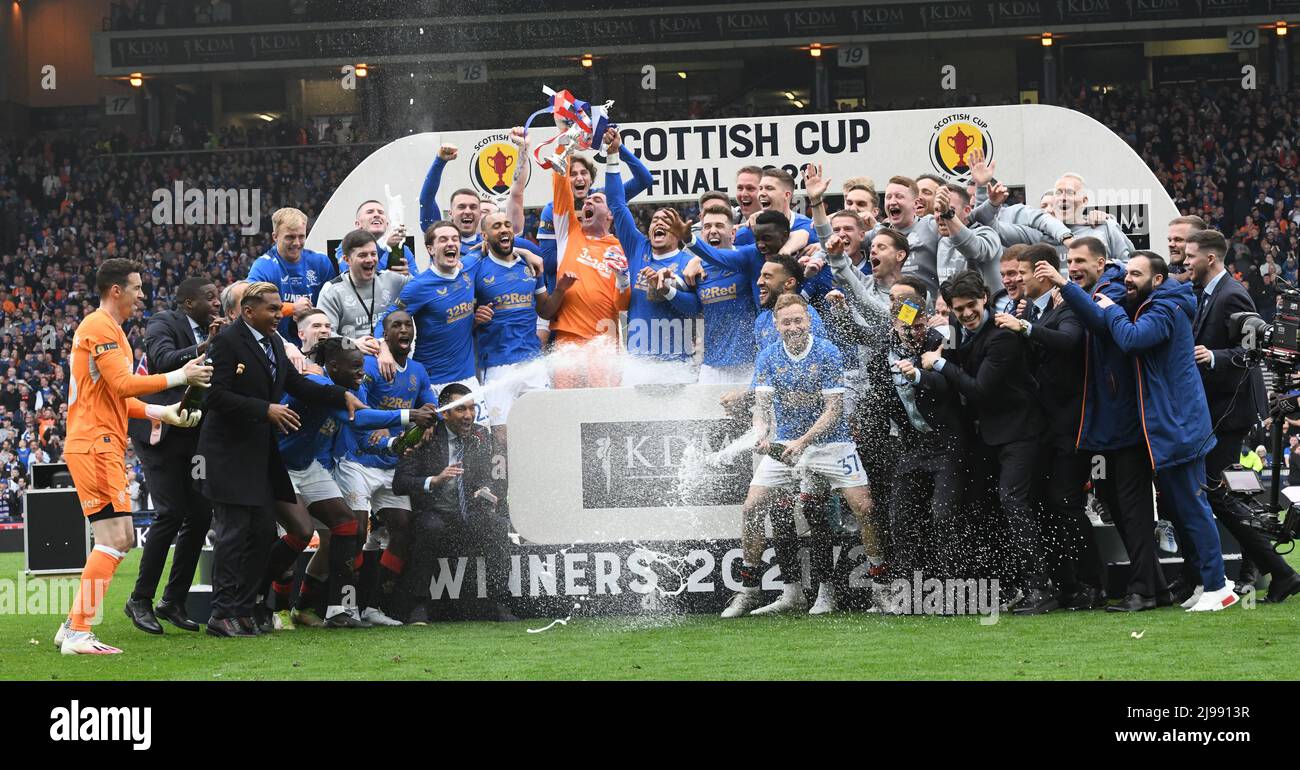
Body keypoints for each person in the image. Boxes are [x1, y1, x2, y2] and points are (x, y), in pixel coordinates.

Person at [54, 259, 211, 655]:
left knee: (115, 538)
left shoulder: (113, 332)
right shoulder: (98, 327)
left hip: (98, 439)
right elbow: (124, 384)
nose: (143, 295)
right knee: (118, 538)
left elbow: (117, 397)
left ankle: (73, 624)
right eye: (137, 288)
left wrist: (163, 411)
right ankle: (78, 631)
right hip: (95, 443)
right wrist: (181, 377)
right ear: (116, 290)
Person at [196, 281, 364, 638]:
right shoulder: (227, 342)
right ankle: (221, 613)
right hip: (227, 453)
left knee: (258, 533)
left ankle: (245, 609)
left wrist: (340, 395)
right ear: (248, 311)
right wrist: (265, 409)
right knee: (232, 534)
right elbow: (214, 396)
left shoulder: (273, 343)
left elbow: (298, 385)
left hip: (259, 453)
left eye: (279, 308)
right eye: (272, 309)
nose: (279, 315)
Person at [1086, 252, 1237, 612]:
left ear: (1157, 280)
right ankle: (1210, 581)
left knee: (1194, 508)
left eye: (1136, 274)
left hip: (1180, 426)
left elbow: (1131, 339)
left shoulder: (1164, 309)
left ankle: (1219, 586)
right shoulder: (1164, 302)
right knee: (1187, 509)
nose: (1127, 279)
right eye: (1127, 272)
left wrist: (1111, 309)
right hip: (1176, 425)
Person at [275, 336, 436, 628]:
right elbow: (358, 420)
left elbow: (358, 437)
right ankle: (270, 603)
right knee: (300, 534)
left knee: (347, 529)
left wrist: (391, 445)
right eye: (355, 368)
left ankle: (336, 611)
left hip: (311, 467)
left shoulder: (349, 388)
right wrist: (408, 414)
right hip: (280, 465)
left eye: (362, 367)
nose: (362, 374)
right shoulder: (325, 388)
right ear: (333, 366)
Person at [732, 294, 876, 616]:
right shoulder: (769, 356)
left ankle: (878, 588)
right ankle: (750, 589)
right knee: (752, 506)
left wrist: (803, 440)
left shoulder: (827, 352)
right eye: (787, 322)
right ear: (777, 325)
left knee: (863, 506)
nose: (793, 327)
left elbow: (834, 410)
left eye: (798, 320)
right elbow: (762, 407)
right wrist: (761, 431)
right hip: (786, 445)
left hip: (830, 444)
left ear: (809, 321)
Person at [921, 270, 1054, 614]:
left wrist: (938, 364)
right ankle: (1006, 584)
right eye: (959, 308)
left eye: (971, 305)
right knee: (982, 506)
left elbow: (979, 389)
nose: (966, 313)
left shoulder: (1002, 335)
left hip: (1021, 433)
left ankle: (1041, 588)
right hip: (991, 436)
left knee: (1014, 503)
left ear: (984, 298)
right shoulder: (960, 334)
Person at [1184, 229, 1300, 603]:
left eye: (1190, 256)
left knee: (1220, 495)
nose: (1185, 262)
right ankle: (1273, 572)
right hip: (1218, 411)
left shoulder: (1231, 293)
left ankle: (1277, 572)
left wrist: (1214, 356)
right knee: (1223, 495)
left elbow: (1250, 353)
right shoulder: (1209, 294)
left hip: (1229, 413)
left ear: (1211, 258)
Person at [997, 244, 1105, 610]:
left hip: (1070, 426)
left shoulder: (1067, 309)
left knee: (1066, 502)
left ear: (1041, 273)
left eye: (1022, 273)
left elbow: (1069, 342)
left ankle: (1094, 583)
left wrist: (1024, 328)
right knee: (1048, 505)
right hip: (1043, 428)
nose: (1017, 280)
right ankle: (1067, 585)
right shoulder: (1031, 311)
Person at [124, 277, 226, 635]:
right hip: (159, 430)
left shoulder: (221, 328)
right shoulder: (162, 323)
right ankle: (139, 599)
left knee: (199, 514)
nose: (217, 301)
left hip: (193, 431)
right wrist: (206, 343)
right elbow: (161, 361)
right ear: (187, 303)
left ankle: (173, 601)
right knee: (170, 513)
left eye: (218, 296)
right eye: (210, 296)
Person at [392, 383, 515, 623]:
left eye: (472, 409)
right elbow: (400, 482)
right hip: (434, 513)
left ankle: (499, 602)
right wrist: (434, 481)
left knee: (498, 526)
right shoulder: (422, 436)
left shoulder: (481, 436)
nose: (468, 416)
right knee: (430, 528)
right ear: (445, 412)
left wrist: (487, 490)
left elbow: (494, 475)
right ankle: (419, 605)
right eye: (461, 410)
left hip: (470, 512)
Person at [604, 130, 701, 384]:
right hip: (638, 363)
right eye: (655, 219)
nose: (659, 222)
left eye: (667, 220)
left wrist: (667, 289)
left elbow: (695, 308)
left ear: (679, 233)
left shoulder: (687, 263)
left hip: (676, 364)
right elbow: (615, 202)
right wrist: (614, 154)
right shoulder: (638, 247)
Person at [545, 141, 631, 388]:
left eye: (597, 199)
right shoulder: (568, 232)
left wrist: (623, 279)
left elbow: (623, 304)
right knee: (567, 409)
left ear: (611, 213)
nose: (588, 203)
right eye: (586, 201)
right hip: (568, 341)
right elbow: (561, 191)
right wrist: (565, 145)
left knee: (603, 412)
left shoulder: (619, 247)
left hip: (604, 343)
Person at [247, 207, 339, 341]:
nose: (296, 243)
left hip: (318, 342)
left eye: (301, 236)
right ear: (275, 237)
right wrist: (292, 308)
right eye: (290, 237)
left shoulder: (320, 262)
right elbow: (254, 307)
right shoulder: (263, 267)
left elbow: (334, 302)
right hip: (277, 343)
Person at [318, 229, 410, 354]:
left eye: (373, 254)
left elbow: (425, 287)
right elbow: (324, 337)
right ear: (346, 259)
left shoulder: (392, 280)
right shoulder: (332, 290)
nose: (370, 260)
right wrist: (353, 343)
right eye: (362, 255)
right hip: (351, 360)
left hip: (391, 356)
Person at [334, 200, 414, 273]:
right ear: (358, 224)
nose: (376, 215)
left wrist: (408, 276)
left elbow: (417, 281)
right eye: (370, 212)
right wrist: (384, 247)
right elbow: (351, 274)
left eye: (381, 212)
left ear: (386, 224)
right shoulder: (346, 246)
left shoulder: (404, 250)